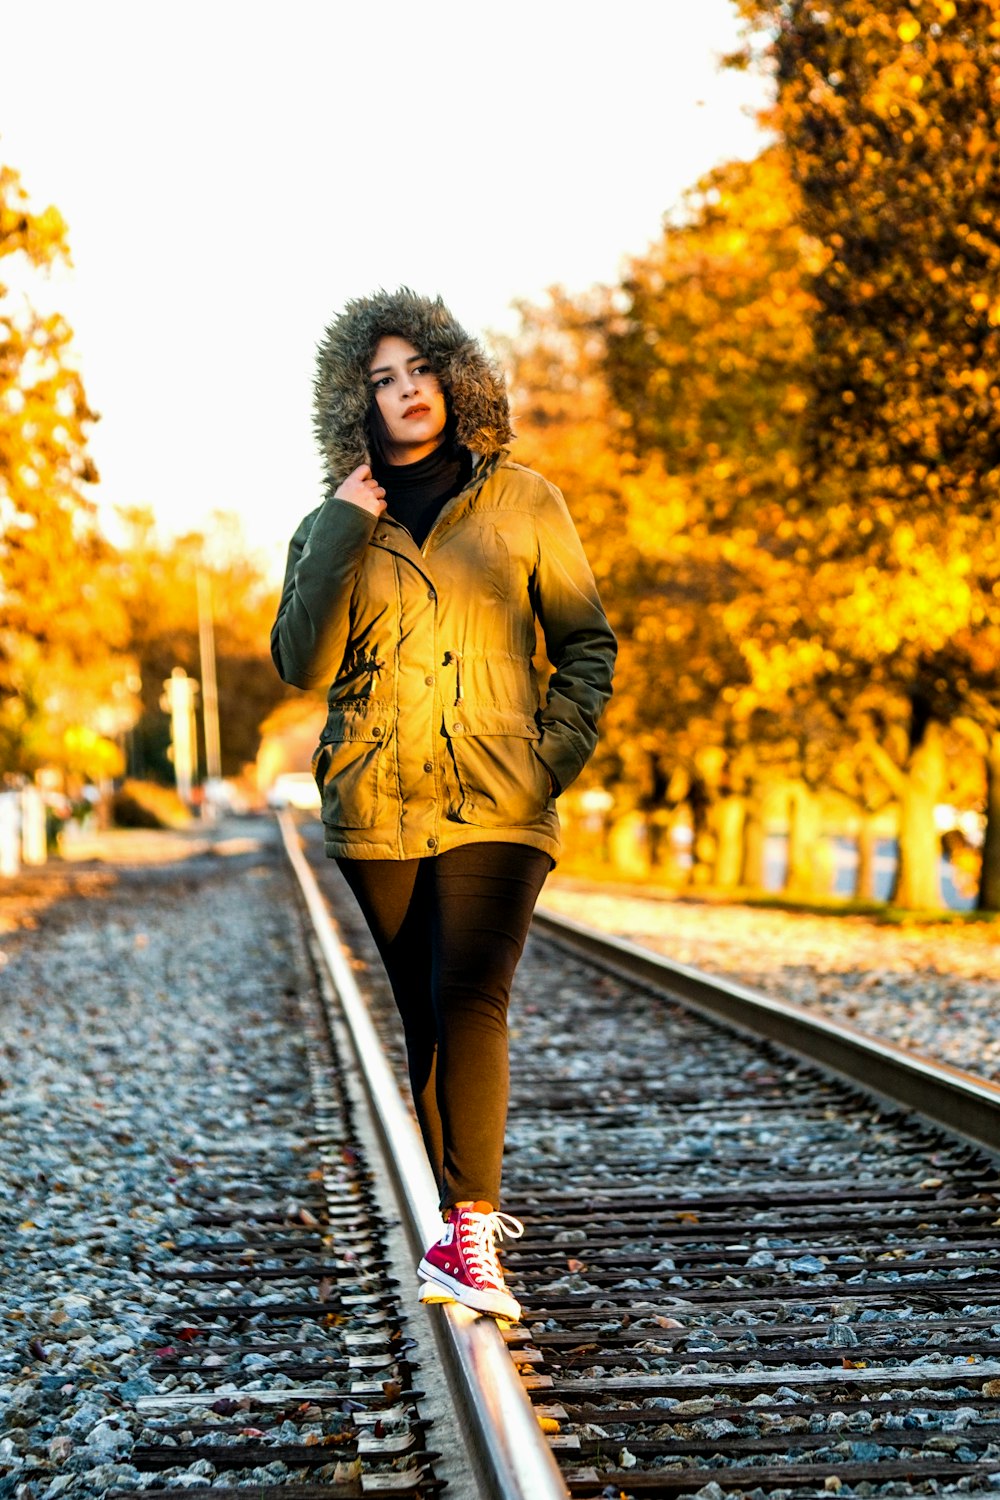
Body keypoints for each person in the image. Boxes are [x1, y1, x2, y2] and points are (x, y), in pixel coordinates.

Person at [271, 287, 616, 1321]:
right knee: (424, 1012)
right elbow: (302, 662)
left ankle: (469, 1233)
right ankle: (453, 1235)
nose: (406, 391)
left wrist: (545, 758)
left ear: (453, 375)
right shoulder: (329, 523)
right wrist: (341, 526)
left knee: (472, 995)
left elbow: (586, 643)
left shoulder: (524, 502)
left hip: (499, 798)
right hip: (377, 798)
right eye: (382, 380)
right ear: (355, 405)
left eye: (418, 370)